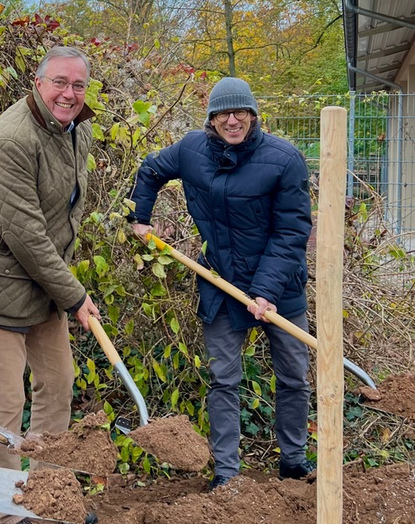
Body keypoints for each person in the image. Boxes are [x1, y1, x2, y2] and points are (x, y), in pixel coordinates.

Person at [129, 77, 314, 491]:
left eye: (240, 112)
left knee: (293, 376)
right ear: (211, 119)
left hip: (280, 287)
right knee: (224, 379)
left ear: (253, 115)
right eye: (223, 113)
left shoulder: (285, 160)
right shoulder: (191, 150)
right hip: (220, 280)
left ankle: (293, 461)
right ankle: (227, 473)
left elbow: (291, 231)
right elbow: (152, 169)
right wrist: (140, 217)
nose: (232, 120)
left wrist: (265, 291)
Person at [0, 46, 101, 524]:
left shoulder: (76, 130)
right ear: (38, 84)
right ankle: (6, 513)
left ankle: (47, 499)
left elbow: (66, 215)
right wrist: (74, 295)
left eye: (78, 85)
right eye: (59, 82)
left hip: (44, 290)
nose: (69, 93)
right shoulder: (10, 139)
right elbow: (26, 234)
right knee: (4, 405)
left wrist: (64, 289)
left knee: (58, 387)